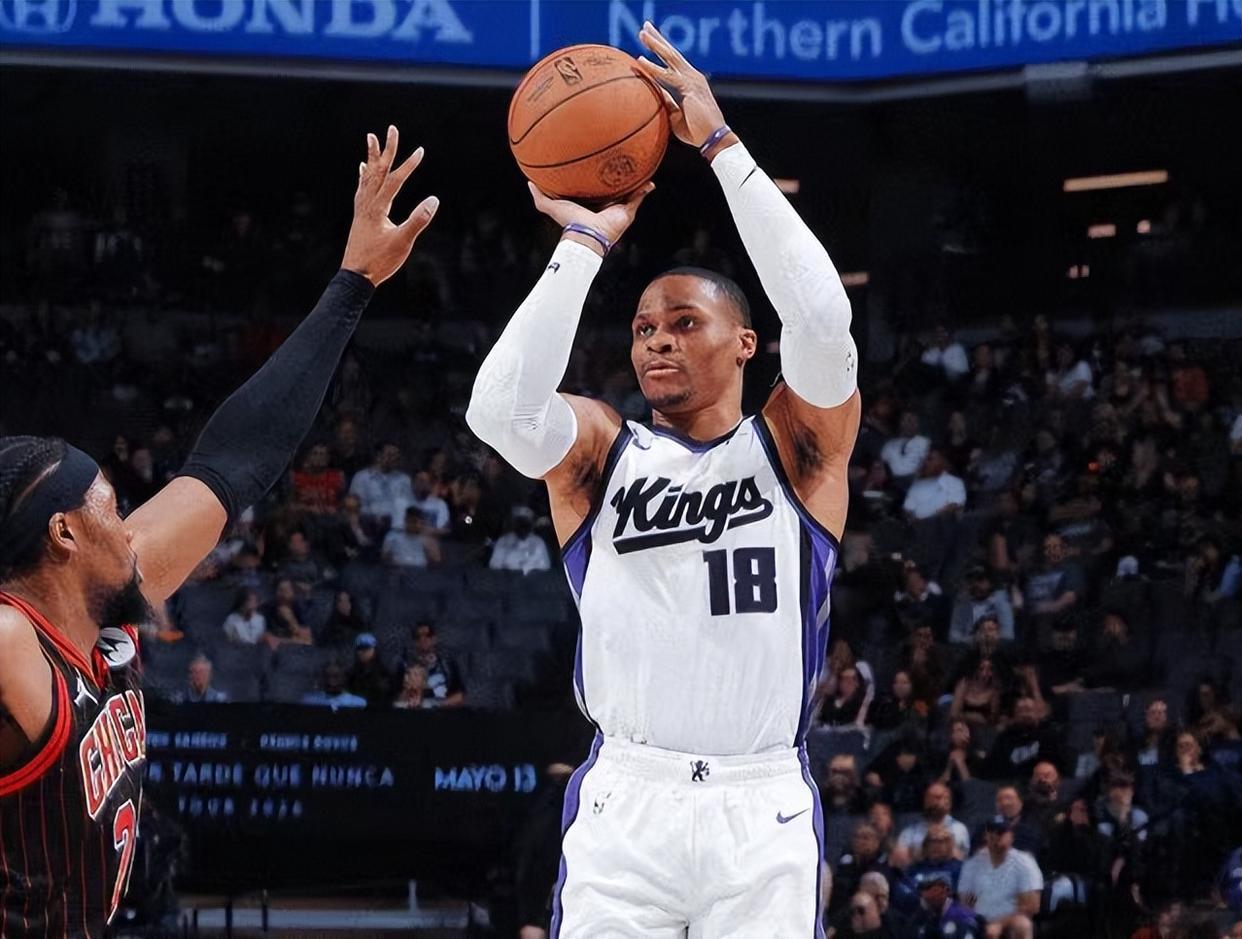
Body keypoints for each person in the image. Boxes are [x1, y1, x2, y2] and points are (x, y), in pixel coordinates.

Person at [466, 23, 860, 937]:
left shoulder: (796, 445)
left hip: (759, 805)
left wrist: (720, 145)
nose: (657, 341)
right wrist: (584, 242)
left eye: (684, 323)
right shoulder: (603, 450)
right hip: (627, 802)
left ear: (746, 344)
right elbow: (499, 413)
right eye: (644, 328)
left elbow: (822, 316)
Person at [0, 124, 435, 935]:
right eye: (108, 505)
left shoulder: (104, 615)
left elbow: (235, 459)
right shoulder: (11, 640)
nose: (128, 523)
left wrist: (352, 283)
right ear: (62, 533)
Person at [957, 817, 1042, 939]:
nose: (996, 837)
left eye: (1001, 833)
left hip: (1010, 923)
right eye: (992, 832)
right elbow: (965, 902)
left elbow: (1031, 906)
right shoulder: (972, 864)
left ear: (1011, 836)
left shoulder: (1025, 862)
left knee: (1022, 924)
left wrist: (1000, 924)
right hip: (979, 922)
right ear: (986, 836)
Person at [895, 782, 972, 862]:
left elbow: (964, 861)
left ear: (949, 802)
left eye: (940, 797)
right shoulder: (909, 833)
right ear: (925, 800)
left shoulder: (959, 829)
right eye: (932, 797)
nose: (936, 802)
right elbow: (901, 861)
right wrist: (925, 848)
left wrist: (948, 846)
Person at [349, 441, 413, 530]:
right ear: (378, 456)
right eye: (390, 455)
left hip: (398, 527)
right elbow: (355, 507)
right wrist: (373, 518)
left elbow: (409, 505)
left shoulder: (404, 479)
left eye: (397, 456)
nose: (394, 459)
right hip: (370, 526)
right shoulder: (361, 478)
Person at [402, 621, 464, 707]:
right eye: (418, 636)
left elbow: (461, 696)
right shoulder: (406, 664)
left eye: (427, 635)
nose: (423, 639)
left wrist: (435, 704)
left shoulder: (446, 664)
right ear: (415, 642)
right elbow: (397, 696)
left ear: (434, 639)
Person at [948, 566, 1015, 645]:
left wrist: (987, 639)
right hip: (967, 647)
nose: (975, 584)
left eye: (980, 580)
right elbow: (953, 635)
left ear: (991, 582)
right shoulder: (963, 601)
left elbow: (1007, 635)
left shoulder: (1001, 601)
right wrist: (973, 640)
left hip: (996, 648)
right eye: (971, 581)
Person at [911, 870, 982, 939]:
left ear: (946, 890)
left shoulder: (960, 914)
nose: (926, 895)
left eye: (930, 888)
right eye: (923, 889)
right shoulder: (930, 918)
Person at [903, 448, 967, 521]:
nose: (925, 462)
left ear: (943, 462)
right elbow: (908, 509)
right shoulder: (916, 484)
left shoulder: (954, 484)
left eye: (930, 459)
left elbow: (956, 507)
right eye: (924, 459)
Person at [489, 505, 553, 574]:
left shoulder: (538, 543)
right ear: (514, 523)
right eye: (520, 522)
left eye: (525, 522)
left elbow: (544, 568)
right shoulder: (503, 541)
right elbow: (494, 566)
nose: (522, 526)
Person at [346, 633, 391, 707]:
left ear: (375, 650)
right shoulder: (351, 674)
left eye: (366, 648)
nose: (362, 652)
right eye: (359, 648)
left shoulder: (384, 674)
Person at [301, 662, 367, 710]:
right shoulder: (309, 701)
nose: (331, 681)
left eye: (336, 677)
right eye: (327, 676)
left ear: (344, 678)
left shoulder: (358, 704)